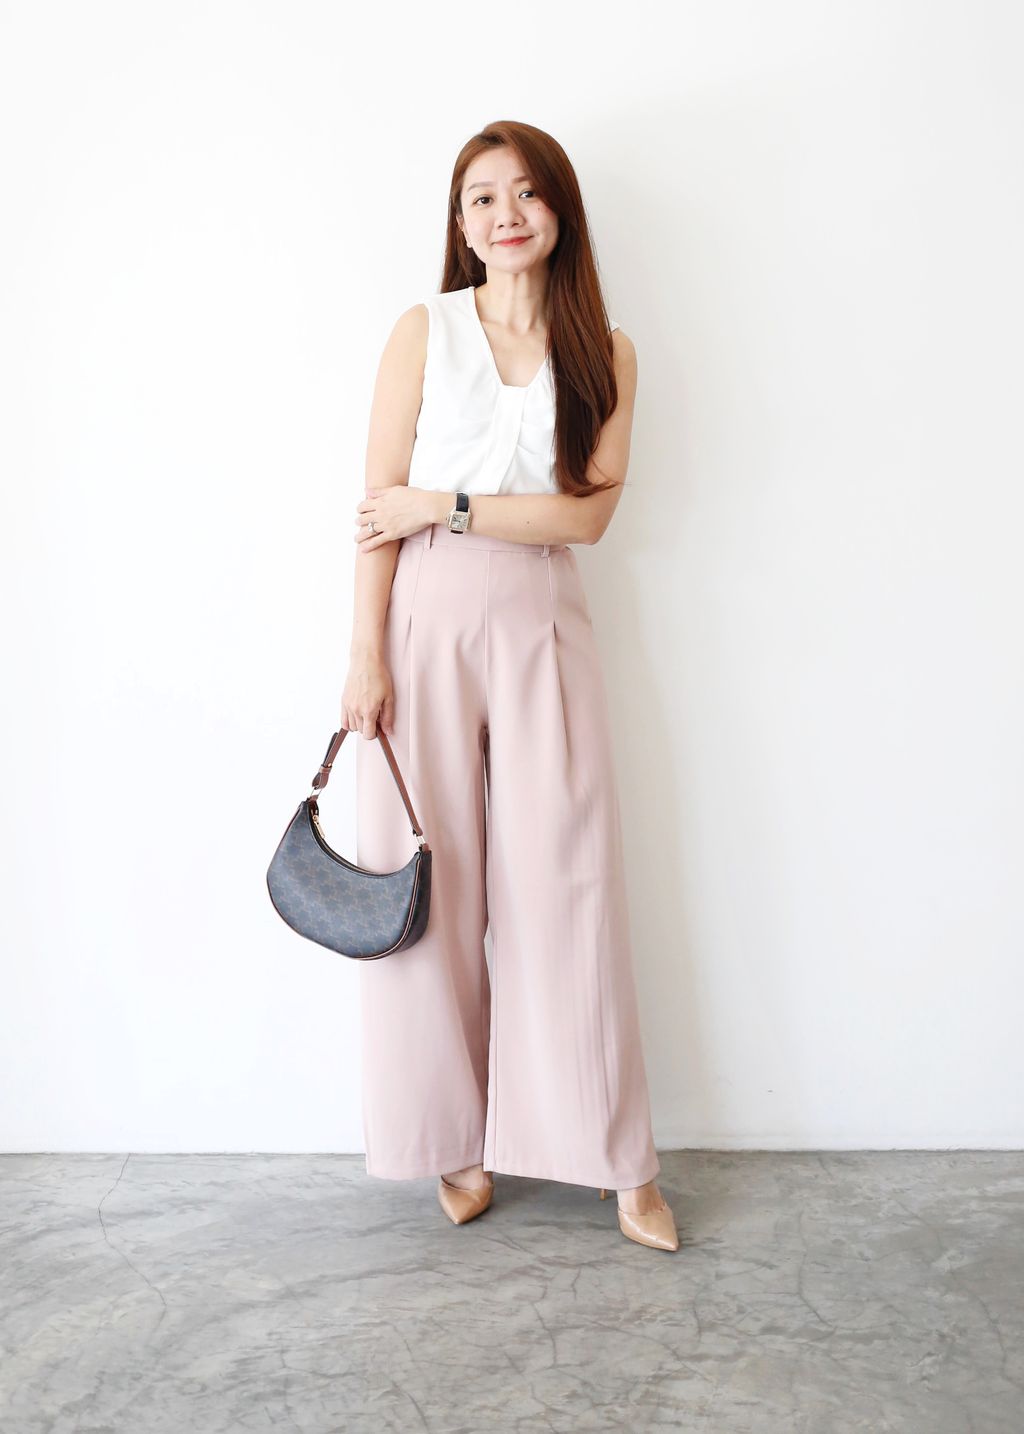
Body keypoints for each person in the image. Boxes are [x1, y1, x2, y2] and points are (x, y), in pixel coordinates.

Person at [341, 120, 679, 1253]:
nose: (505, 215)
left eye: (525, 193)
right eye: (481, 198)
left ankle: (618, 1160)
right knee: (430, 885)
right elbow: (375, 510)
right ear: (461, 224)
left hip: (541, 613)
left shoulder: (607, 353)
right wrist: (363, 655)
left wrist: (448, 505)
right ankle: (453, 1139)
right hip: (423, 617)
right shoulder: (423, 331)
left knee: (568, 882)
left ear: (559, 210)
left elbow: (586, 517)